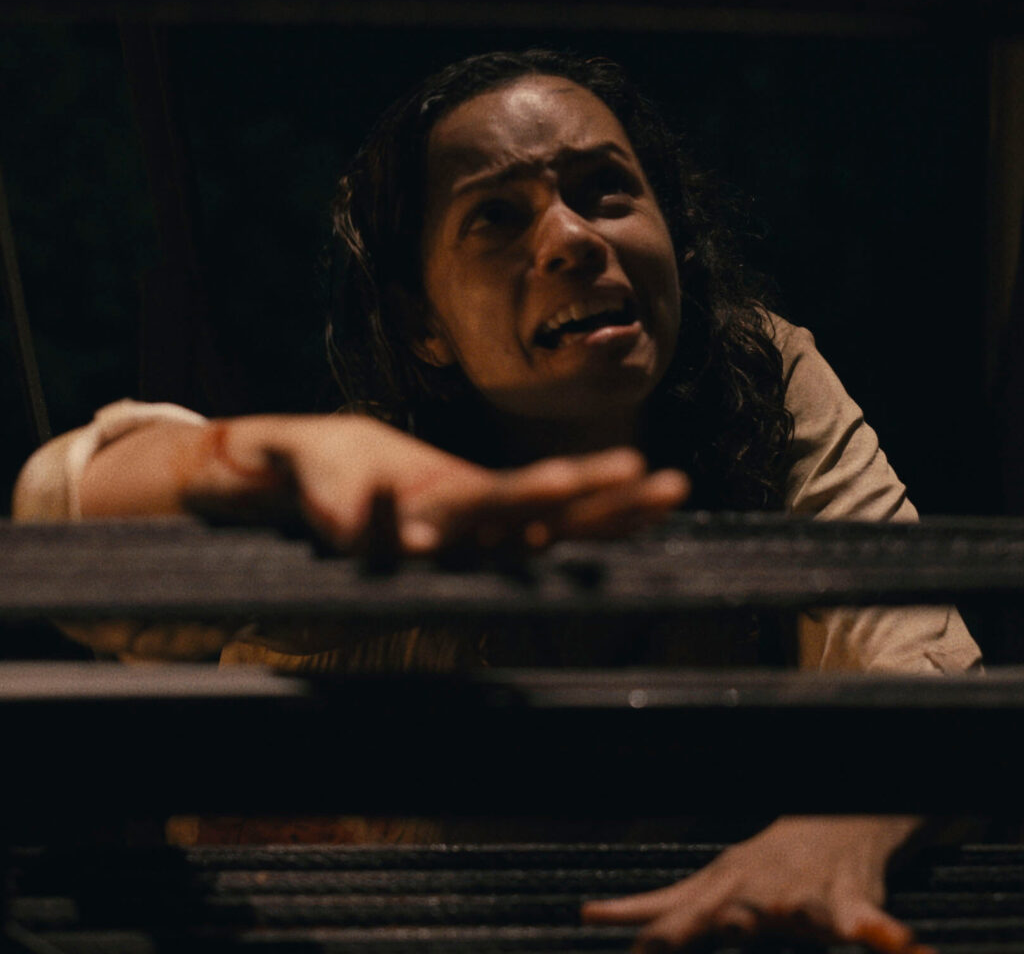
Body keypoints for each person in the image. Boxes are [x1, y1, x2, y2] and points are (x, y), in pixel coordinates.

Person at [13, 49, 980, 952]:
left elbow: (920, 661)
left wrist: (837, 829)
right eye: (497, 218)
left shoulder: (760, 379)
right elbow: (65, 516)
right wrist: (258, 453)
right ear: (420, 324)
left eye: (608, 190)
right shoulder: (369, 491)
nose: (571, 238)